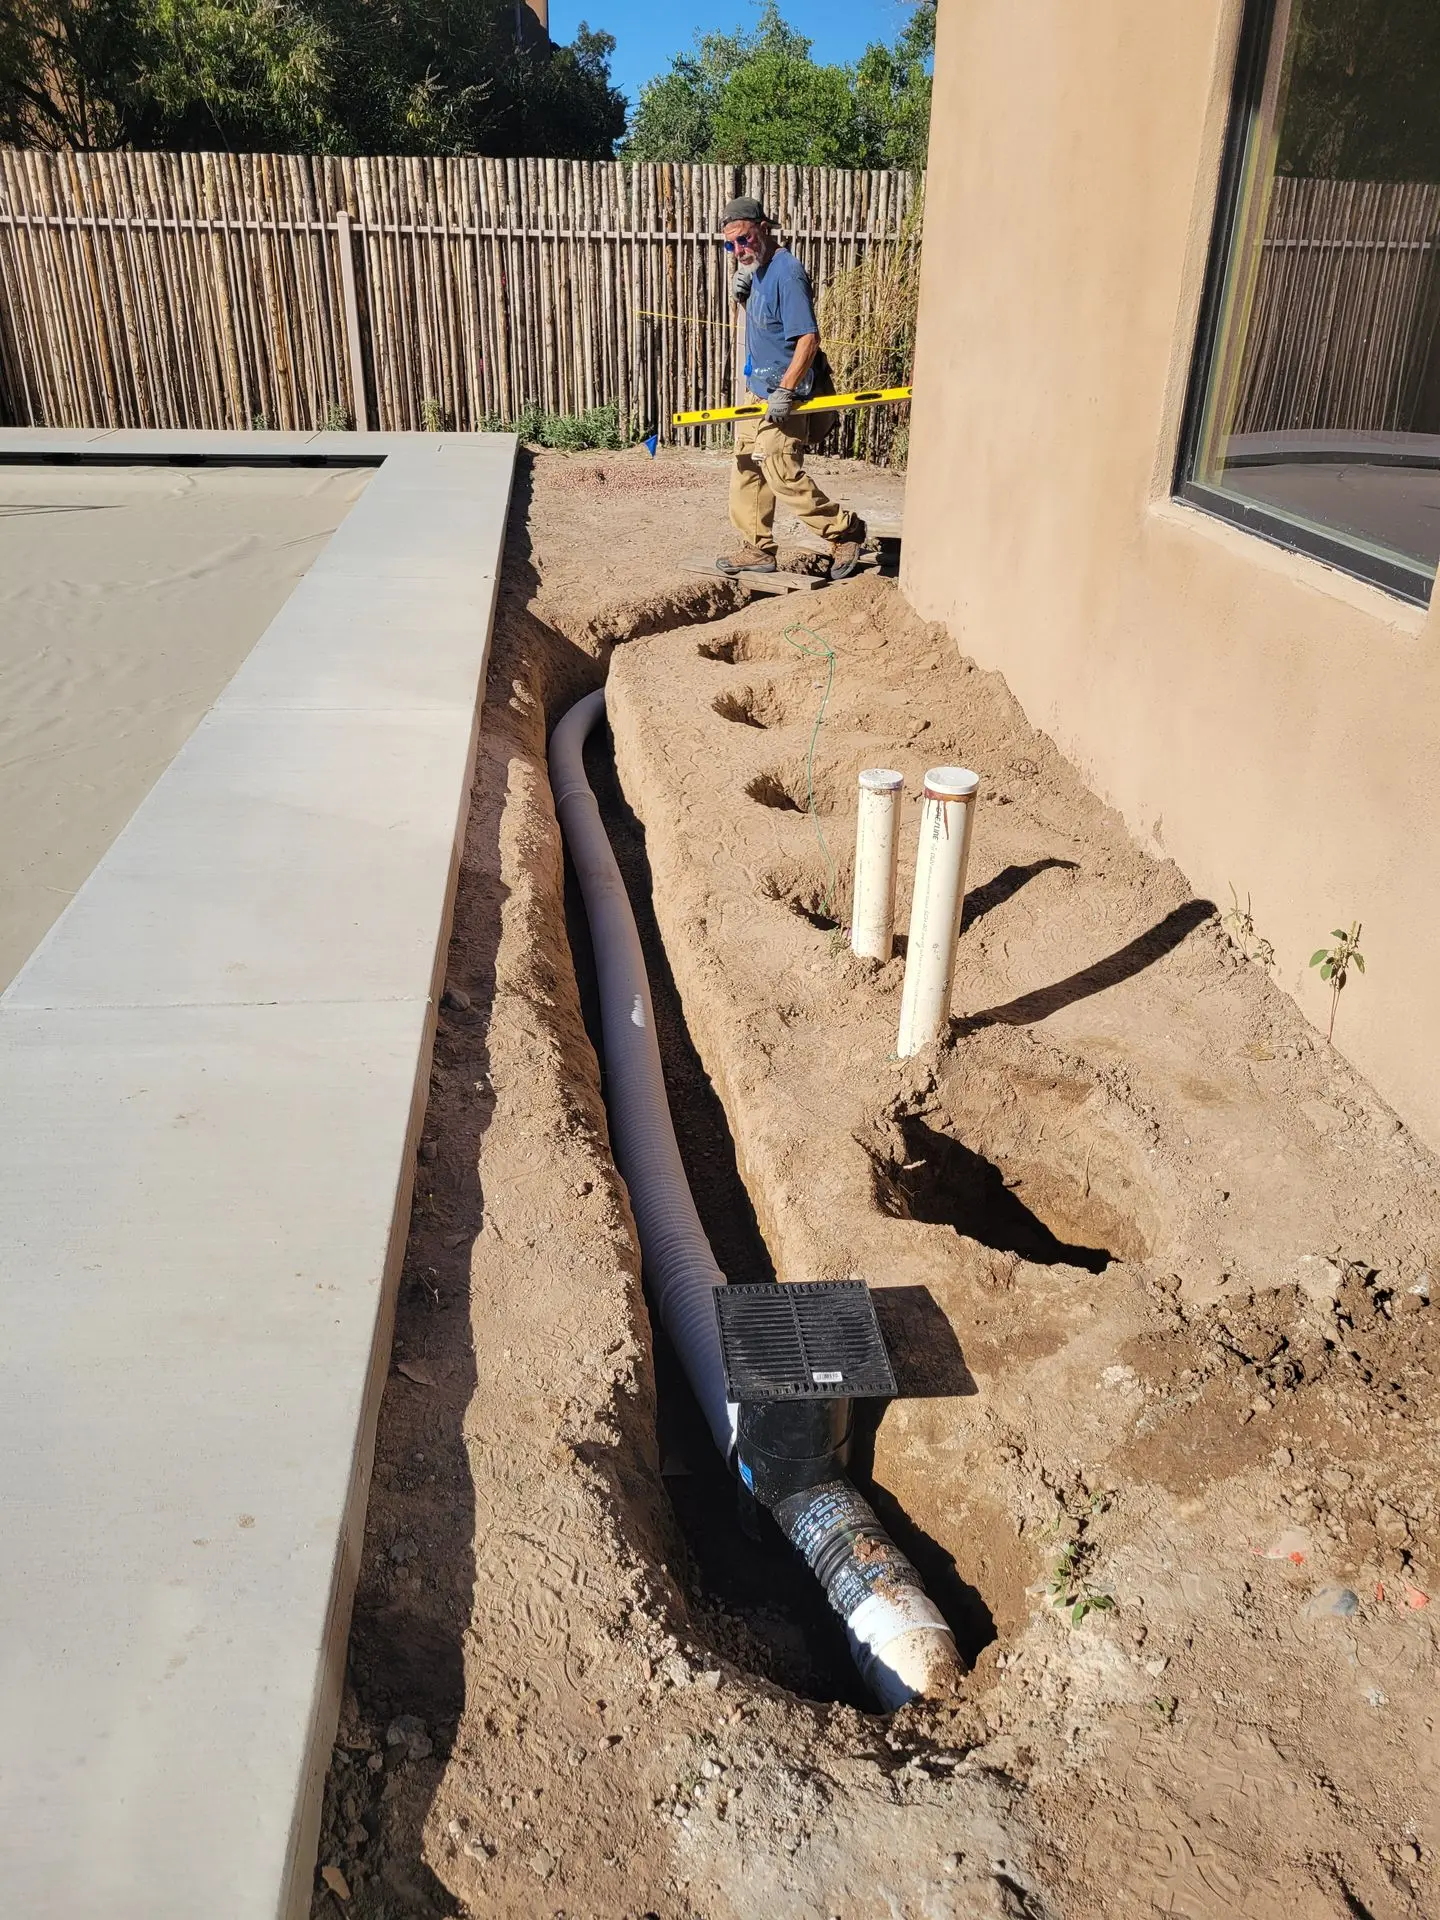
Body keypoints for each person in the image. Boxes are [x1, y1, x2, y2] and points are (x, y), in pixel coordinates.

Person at [715, 196, 867, 582]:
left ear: (765, 229)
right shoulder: (756, 271)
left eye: (744, 239)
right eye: (731, 245)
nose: (739, 250)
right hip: (757, 391)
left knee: (780, 469)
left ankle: (844, 531)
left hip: (787, 394)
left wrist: (785, 390)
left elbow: (807, 339)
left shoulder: (787, 273)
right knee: (746, 468)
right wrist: (744, 298)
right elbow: (766, 328)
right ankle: (757, 548)